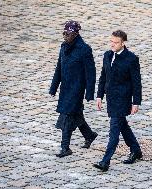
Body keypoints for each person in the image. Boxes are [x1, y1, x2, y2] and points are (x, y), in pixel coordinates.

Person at [93, 30, 142, 171]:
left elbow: (136, 83)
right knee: (123, 126)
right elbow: (103, 77)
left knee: (114, 130)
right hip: (111, 99)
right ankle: (136, 150)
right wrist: (99, 96)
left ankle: (105, 161)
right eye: (111, 42)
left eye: (116, 42)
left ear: (123, 43)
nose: (112, 45)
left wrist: (136, 102)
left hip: (123, 100)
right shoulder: (107, 55)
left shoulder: (131, 59)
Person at [49, 20, 98, 158]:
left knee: (67, 115)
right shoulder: (63, 47)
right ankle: (90, 135)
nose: (65, 36)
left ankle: (65, 148)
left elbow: (91, 73)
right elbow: (59, 68)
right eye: (63, 33)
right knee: (75, 115)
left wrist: (89, 93)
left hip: (76, 89)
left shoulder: (84, 50)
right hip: (65, 89)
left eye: (68, 33)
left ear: (76, 34)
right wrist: (53, 87)